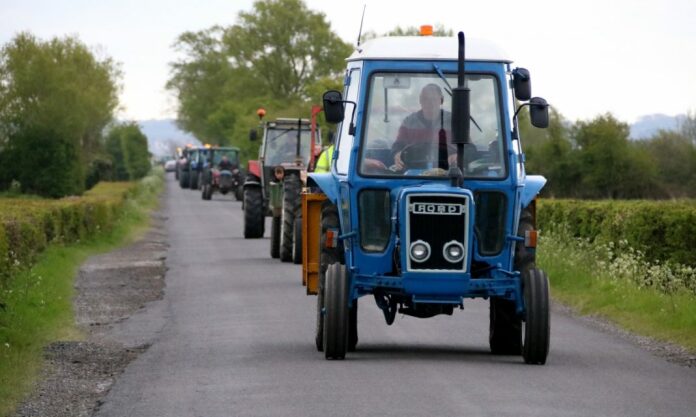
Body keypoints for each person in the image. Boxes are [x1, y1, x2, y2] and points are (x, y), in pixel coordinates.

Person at [391, 83, 457, 170]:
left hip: (449, 172)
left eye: (434, 99)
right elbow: (398, 145)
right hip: (413, 172)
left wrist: (458, 156)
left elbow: (469, 148)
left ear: (441, 100)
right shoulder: (408, 122)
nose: (430, 103)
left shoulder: (454, 121)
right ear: (420, 101)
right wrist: (397, 154)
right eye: (425, 99)